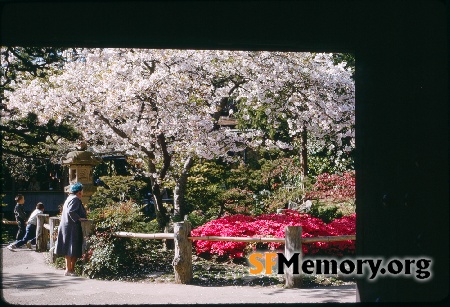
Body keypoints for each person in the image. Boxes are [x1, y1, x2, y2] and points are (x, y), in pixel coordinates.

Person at [55, 182, 87, 276]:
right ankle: (69, 270)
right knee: (73, 247)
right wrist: (79, 218)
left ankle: (69, 270)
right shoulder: (75, 199)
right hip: (72, 226)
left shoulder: (69, 198)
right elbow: (71, 211)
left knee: (68, 247)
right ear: (79, 191)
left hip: (66, 226)